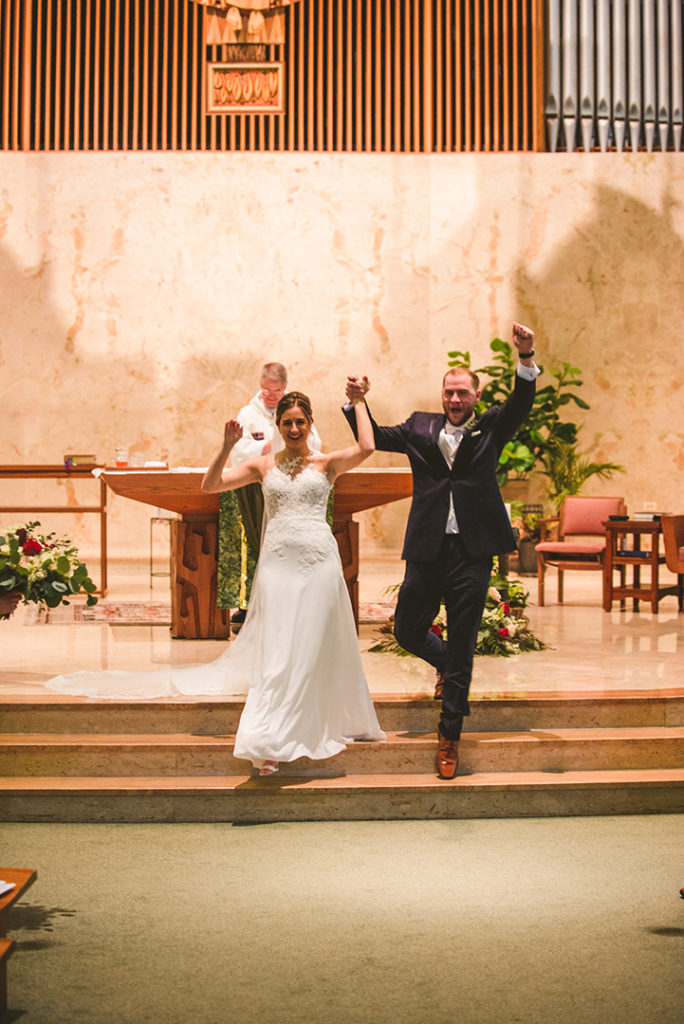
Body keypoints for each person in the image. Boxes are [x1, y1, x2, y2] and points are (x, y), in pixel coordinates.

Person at [44, 385, 384, 778]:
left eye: (300, 422)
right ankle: (268, 738)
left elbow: (367, 447)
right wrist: (226, 446)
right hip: (277, 567)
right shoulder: (264, 466)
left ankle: (316, 720)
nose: (294, 428)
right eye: (287, 422)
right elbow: (211, 485)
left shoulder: (326, 464)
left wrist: (359, 401)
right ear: (278, 425)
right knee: (277, 652)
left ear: (310, 424)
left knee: (311, 646)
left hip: (319, 563)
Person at [344, 323, 539, 780]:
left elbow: (522, 401)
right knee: (409, 631)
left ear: (475, 395)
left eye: (463, 393)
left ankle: (449, 734)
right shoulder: (418, 426)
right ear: (443, 394)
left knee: (466, 640)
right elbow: (370, 435)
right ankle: (449, 666)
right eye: (449, 393)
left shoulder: (492, 426)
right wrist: (357, 399)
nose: (455, 400)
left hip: (473, 551)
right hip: (428, 548)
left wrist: (526, 354)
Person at [224, 362, 322, 623]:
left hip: (290, 488)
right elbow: (238, 451)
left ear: (285, 388)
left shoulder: (294, 410)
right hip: (256, 485)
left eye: (276, 390)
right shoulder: (248, 414)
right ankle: (249, 604)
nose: (270, 395)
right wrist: (267, 448)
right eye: (266, 389)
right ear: (260, 385)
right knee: (256, 543)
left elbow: (315, 444)